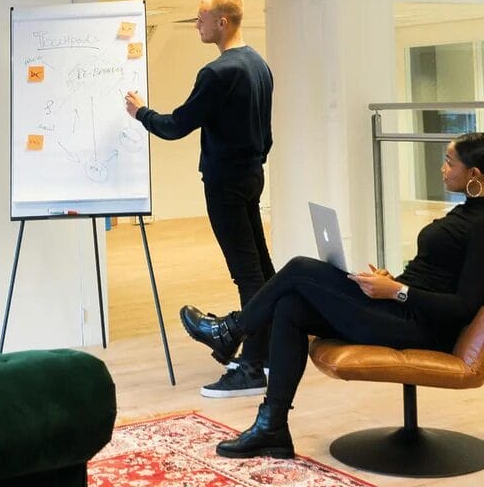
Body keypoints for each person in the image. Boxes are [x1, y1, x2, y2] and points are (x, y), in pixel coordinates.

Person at [180, 132, 484, 458]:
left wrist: (398, 292)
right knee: (291, 306)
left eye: (450, 162)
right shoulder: (466, 212)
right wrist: (390, 283)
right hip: (400, 311)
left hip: (420, 327)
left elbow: (463, 307)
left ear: (474, 174)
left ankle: (232, 331)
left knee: (300, 268)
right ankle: (272, 427)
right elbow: (435, 277)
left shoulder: (481, 225)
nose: (442, 169)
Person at [125, 0, 275, 398]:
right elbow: (266, 135)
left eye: (201, 17)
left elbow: (176, 126)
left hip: (225, 183)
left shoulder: (218, 73)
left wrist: (141, 113)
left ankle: (251, 368)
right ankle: (265, 352)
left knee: (247, 274)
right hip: (252, 175)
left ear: (222, 22)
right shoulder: (259, 65)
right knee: (261, 269)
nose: (197, 24)